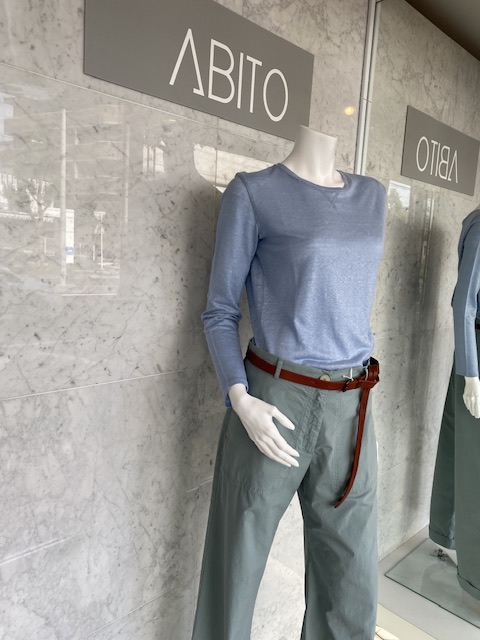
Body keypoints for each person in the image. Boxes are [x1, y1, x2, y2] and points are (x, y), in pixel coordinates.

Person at [192, 126, 386, 640]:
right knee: (236, 566)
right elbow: (219, 311)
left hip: (353, 405)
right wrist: (240, 399)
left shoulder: (372, 196)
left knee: (350, 584)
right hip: (275, 399)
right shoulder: (253, 193)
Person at [430, 206, 480, 600]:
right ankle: (476, 578)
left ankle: (444, 533)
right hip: (476, 356)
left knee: (458, 446)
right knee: (473, 464)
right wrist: (471, 373)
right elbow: (463, 303)